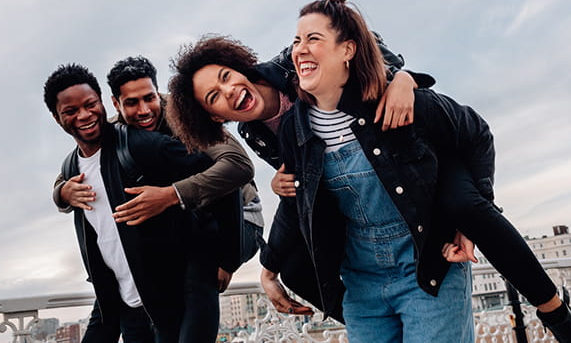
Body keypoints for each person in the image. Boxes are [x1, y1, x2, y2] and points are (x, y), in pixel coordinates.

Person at [266, 0, 571, 343]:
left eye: (313, 39)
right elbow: (295, 201)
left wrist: (474, 214)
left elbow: (477, 134)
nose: (299, 49)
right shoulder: (294, 129)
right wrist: (269, 268)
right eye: (296, 40)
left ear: (347, 50)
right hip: (361, 286)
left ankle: (562, 319)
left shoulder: (404, 103)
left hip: (429, 272)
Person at [167, 35, 431, 321]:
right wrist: (281, 185)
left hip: (388, 166)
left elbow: (357, 40)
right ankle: (367, 320)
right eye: (214, 97)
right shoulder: (252, 134)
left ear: (239, 68)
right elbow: (302, 182)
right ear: (215, 117)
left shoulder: (290, 62)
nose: (229, 90)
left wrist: (400, 77)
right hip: (343, 194)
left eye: (226, 76)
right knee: (295, 270)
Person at [51, 57, 260, 342]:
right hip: (194, 219)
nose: (143, 110)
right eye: (131, 103)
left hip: (240, 218)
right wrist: (62, 192)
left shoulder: (186, 116)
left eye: (149, 98)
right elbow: (73, 171)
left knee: (197, 270)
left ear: (158, 92)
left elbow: (237, 168)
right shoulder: (116, 131)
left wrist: (227, 259)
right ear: (116, 105)